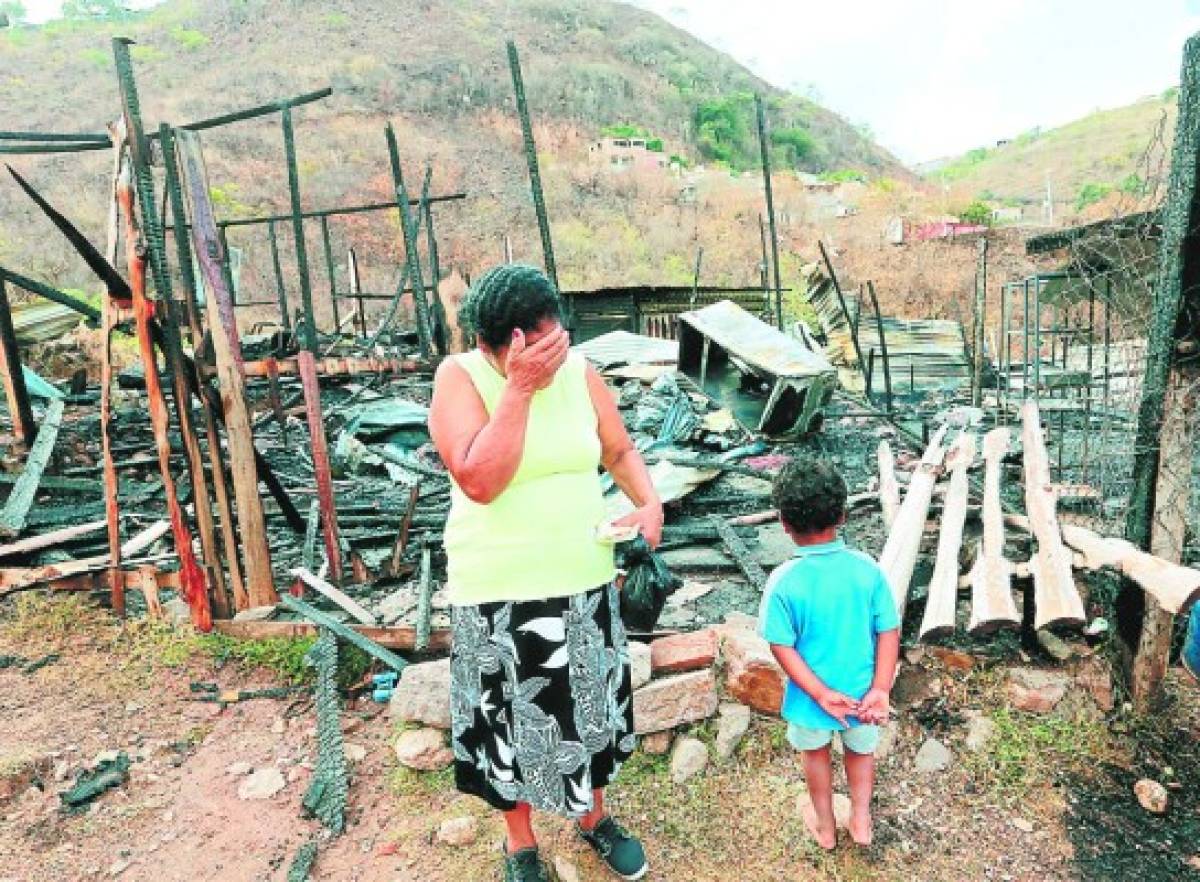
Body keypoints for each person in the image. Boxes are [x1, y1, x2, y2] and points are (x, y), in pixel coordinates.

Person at [428, 264, 663, 882]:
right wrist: (520, 388)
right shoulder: (460, 377)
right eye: (544, 346)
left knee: (586, 714)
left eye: (560, 339)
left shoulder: (581, 373)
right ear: (506, 344)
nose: (560, 351)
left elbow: (618, 450)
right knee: (509, 725)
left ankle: (593, 820)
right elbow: (479, 479)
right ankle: (521, 844)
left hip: (582, 583)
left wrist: (648, 502)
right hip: (498, 597)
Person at [757, 456, 900, 849]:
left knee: (815, 754)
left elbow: (780, 645)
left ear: (784, 524)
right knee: (861, 753)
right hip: (862, 694)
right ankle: (860, 818)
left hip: (811, 700)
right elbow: (888, 629)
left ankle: (824, 826)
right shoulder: (867, 569)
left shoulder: (783, 581)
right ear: (842, 514)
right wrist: (881, 689)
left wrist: (819, 694)